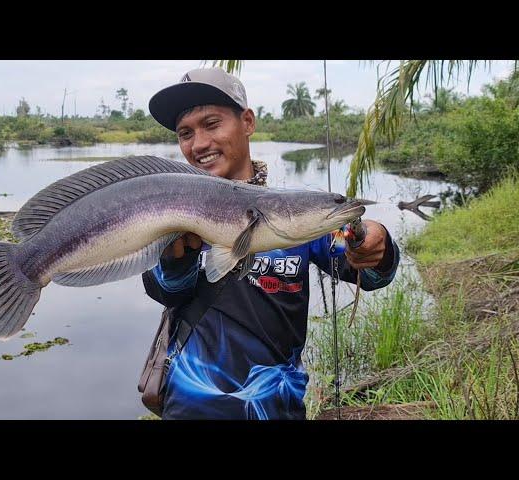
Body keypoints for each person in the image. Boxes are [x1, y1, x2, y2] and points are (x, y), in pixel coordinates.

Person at [142, 67, 400, 420]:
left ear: (247, 122)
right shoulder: (172, 213)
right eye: (185, 133)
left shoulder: (299, 214)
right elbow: (166, 289)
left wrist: (377, 246)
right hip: (189, 405)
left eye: (212, 123)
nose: (199, 144)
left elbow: (370, 276)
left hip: (275, 407)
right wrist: (177, 262)